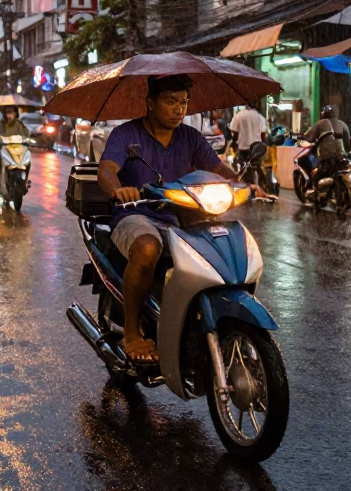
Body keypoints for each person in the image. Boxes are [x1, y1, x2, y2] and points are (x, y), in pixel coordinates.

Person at [97, 75, 246, 365]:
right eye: (170, 101)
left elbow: (217, 169)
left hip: (179, 216)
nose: (179, 109)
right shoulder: (126, 134)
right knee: (147, 248)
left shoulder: (190, 137)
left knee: (220, 247)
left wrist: (244, 183)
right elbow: (106, 169)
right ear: (151, 103)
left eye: (183, 102)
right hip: (135, 214)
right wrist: (118, 189)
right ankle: (132, 333)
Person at [301, 106, 351, 201]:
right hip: (342, 156)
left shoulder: (320, 123)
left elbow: (308, 137)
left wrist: (300, 138)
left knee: (317, 176)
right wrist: (346, 152)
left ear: (323, 114)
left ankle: (317, 195)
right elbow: (348, 140)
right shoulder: (342, 124)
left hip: (327, 157)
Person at [0, 106, 29, 186]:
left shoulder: (19, 124)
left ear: (16, 113)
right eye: (8, 112)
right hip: (1, 148)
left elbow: (26, 135)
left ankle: (25, 179)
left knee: (27, 158)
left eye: (12, 112)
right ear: (4, 114)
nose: (10, 114)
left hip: (17, 149)